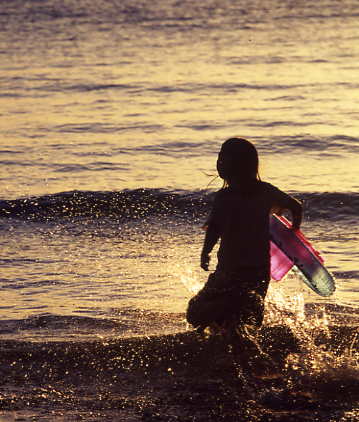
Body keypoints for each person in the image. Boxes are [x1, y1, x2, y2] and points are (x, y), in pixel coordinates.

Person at [186, 137, 302, 372]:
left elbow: (215, 228)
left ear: (233, 165)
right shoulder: (266, 191)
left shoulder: (225, 197)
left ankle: (224, 358)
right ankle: (249, 364)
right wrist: (293, 232)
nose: (218, 163)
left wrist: (205, 252)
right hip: (259, 271)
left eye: (222, 158)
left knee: (195, 312)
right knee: (247, 320)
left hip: (230, 269)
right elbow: (295, 206)